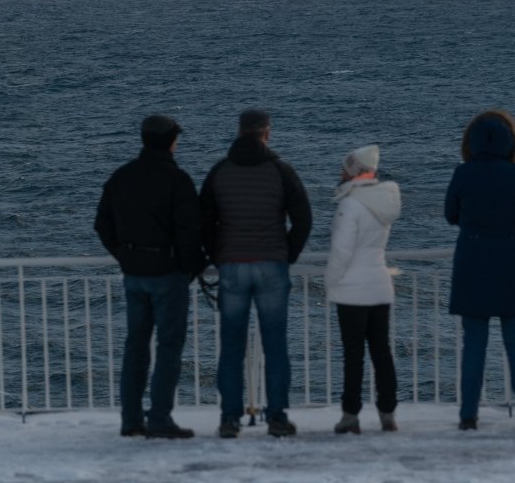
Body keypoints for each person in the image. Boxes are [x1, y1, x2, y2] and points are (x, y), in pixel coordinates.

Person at [201, 108, 312, 438]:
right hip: (271, 265)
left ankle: (229, 419)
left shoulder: (219, 172)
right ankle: (276, 416)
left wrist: (218, 255)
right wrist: (286, 254)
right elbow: (303, 218)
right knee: (275, 345)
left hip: (232, 266)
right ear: (267, 132)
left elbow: (203, 220)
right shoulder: (280, 170)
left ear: (239, 132)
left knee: (231, 347)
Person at [95, 114, 205, 439]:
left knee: (135, 346)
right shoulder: (178, 180)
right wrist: (191, 266)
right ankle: (159, 418)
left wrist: (126, 256)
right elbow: (190, 231)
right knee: (169, 347)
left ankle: (130, 419)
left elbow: (103, 225)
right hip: (168, 273)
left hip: (134, 274)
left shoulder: (121, 177)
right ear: (172, 141)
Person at [445, 109, 515, 430]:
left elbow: (450, 214)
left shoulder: (463, 173)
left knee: (474, 343)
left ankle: (468, 415)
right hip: (511, 259)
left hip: (473, 259)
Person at [325, 144, 401, 434]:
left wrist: (331, 281)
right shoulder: (381, 201)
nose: (340, 172)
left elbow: (341, 251)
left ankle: (350, 414)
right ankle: (388, 412)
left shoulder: (351, 204)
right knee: (382, 352)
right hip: (380, 284)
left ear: (354, 171)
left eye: (345, 167)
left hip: (353, 289)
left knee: (354, 354)